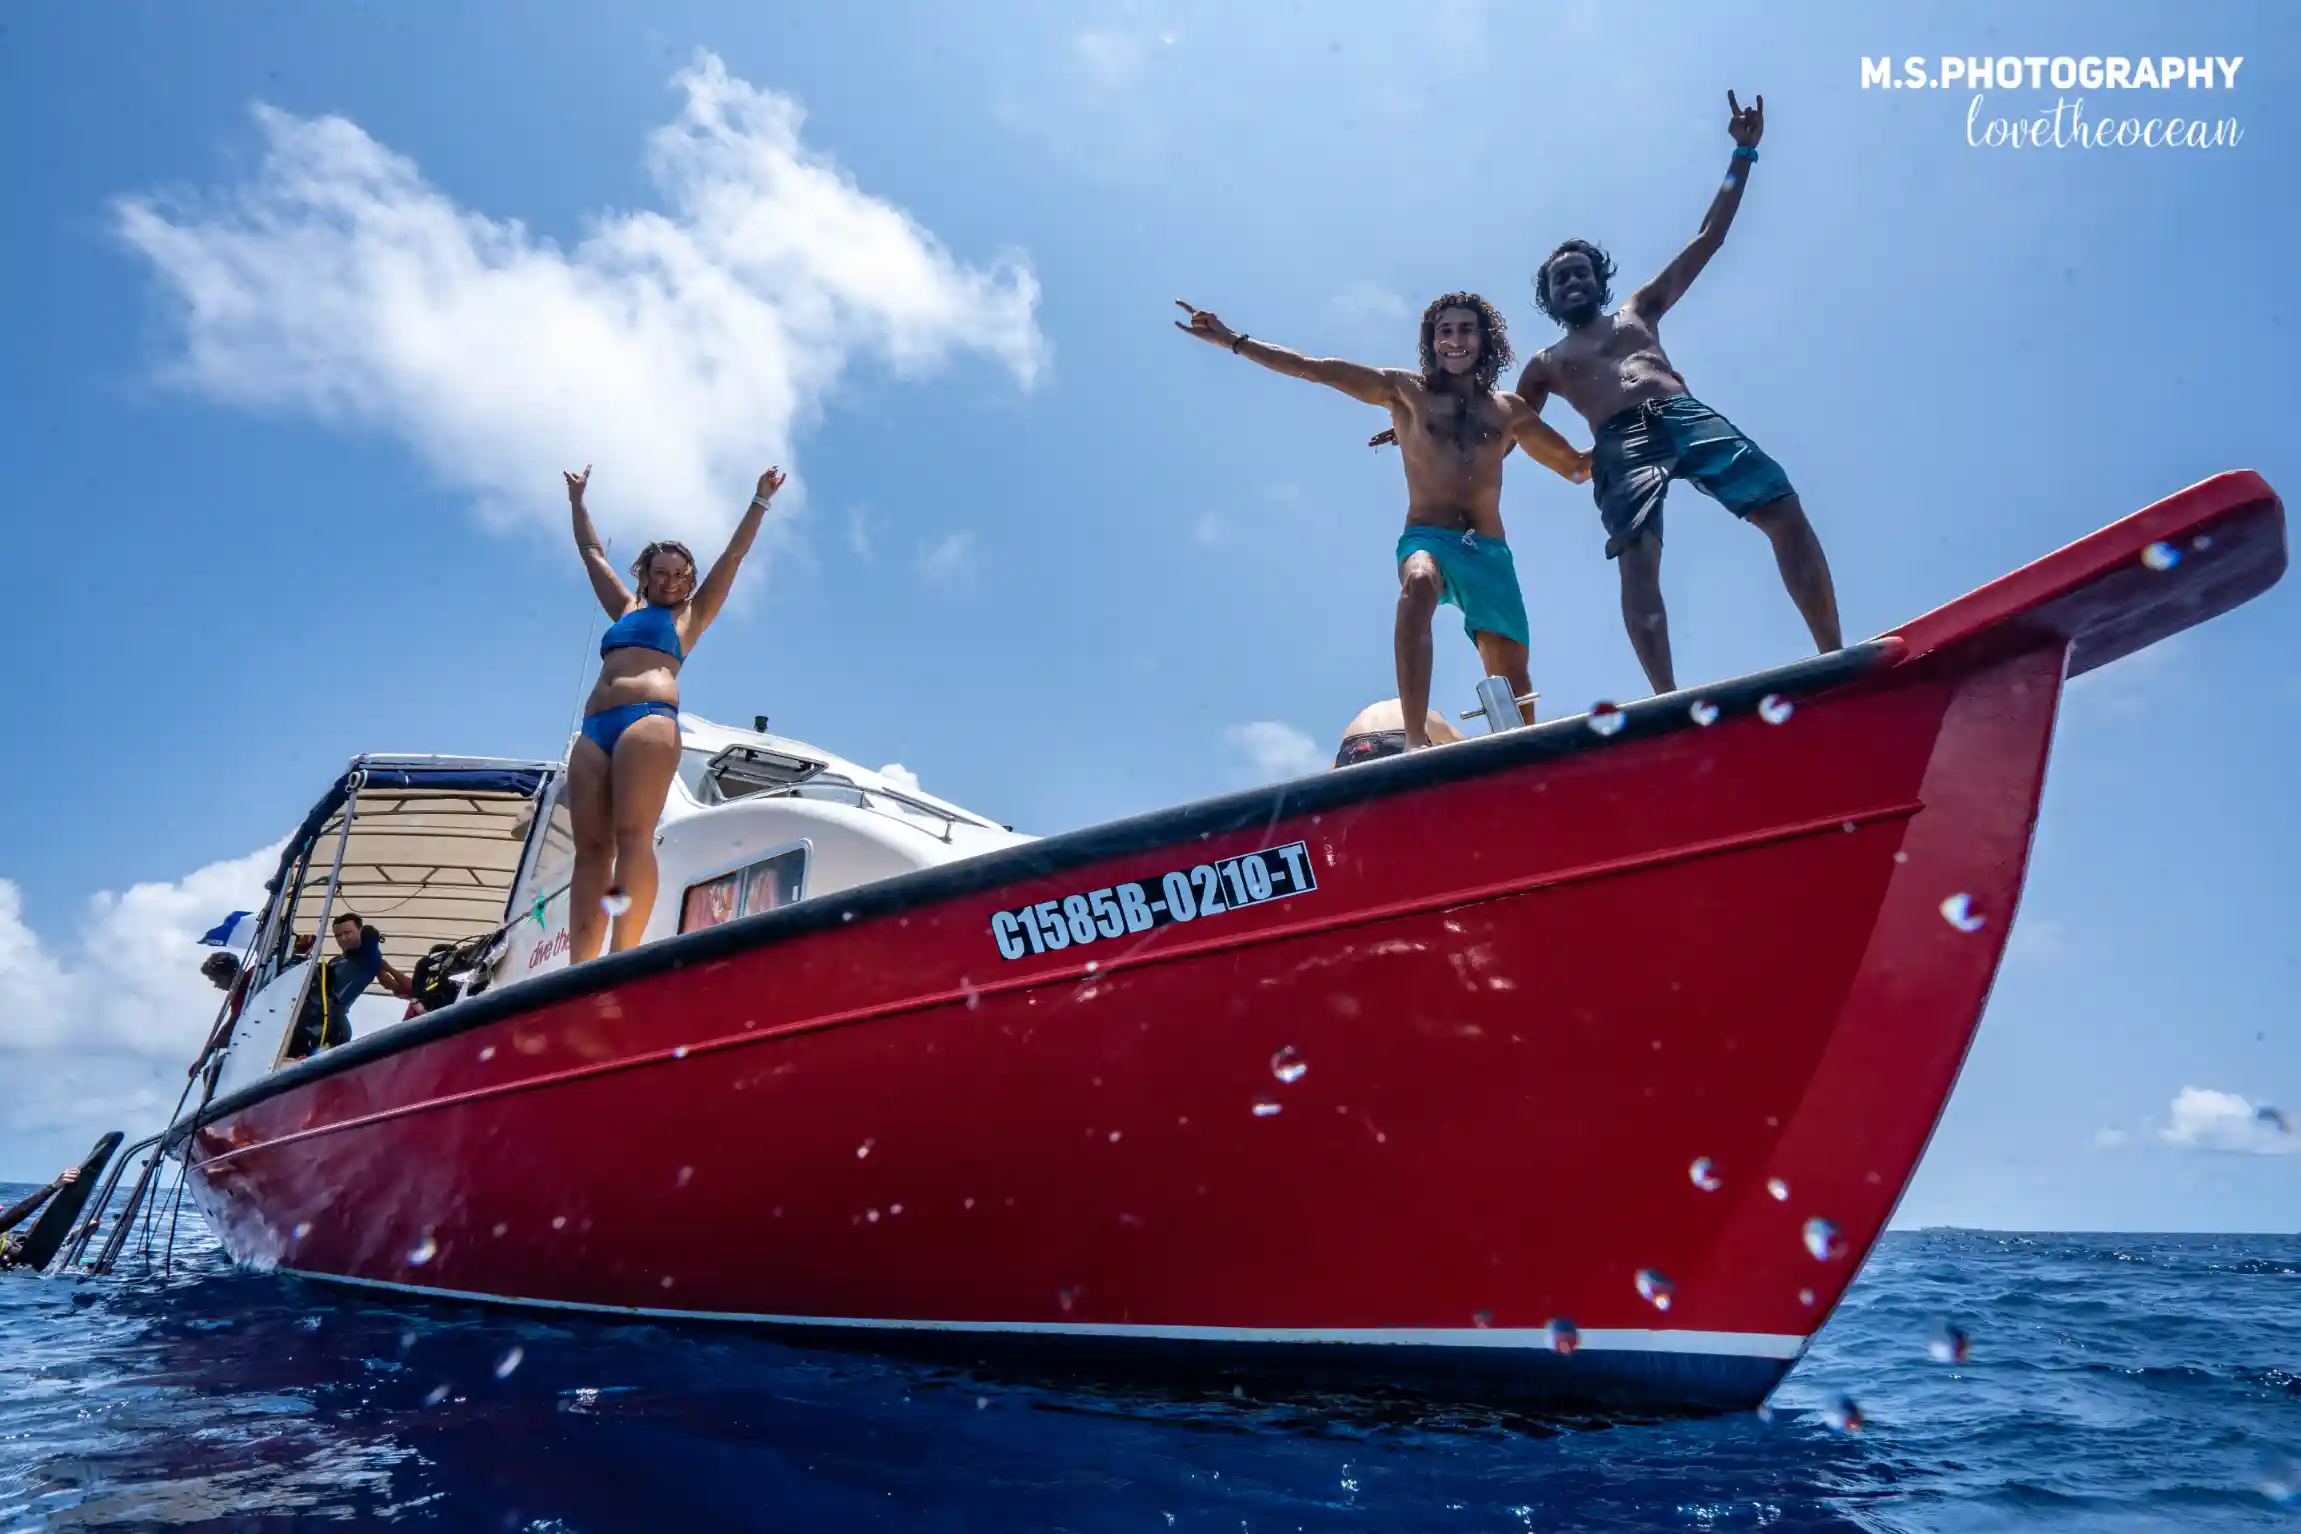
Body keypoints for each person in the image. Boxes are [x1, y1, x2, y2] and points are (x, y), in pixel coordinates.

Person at [1517, 91, 1841, 695]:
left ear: (1597, 280)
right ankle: (1666, 697)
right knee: (1637, 556)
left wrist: (1742, 153)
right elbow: (1508, 427)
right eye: (1559, 278)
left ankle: (1832, 654)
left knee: (1782, 507)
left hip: (1680, 412)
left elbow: (1706, 239)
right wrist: (1427, 419)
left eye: (1580, 272)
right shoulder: (1546, 364)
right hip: (1617, 445)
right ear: (1550, 296)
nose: (1571, 282)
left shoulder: (1638, 311)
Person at [1175, 295, 1590, 750]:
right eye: (1445, 331)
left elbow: (1575, 466)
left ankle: (1528, 759)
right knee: (1418, 581)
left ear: (1484, 340)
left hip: (1488, 552)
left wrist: (1635, 427)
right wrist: (1234, 341)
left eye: (1466, 330)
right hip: (1428, 536)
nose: (1455, 340)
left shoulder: (1510, 411)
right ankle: (1414, 742)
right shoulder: (1404, 391)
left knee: (1513, 681)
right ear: (1432, 343)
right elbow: (1313, 368)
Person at [564, 463, 785, 959]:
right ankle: (578, 967)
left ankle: (621, 956)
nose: (669, 582)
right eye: (659, 573)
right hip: (593, 730)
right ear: (643, 574)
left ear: (690, 581)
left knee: (632, 835)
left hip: (648, 720)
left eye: (679, 575)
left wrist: (760, 500)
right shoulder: (625, 609)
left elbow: (735, 554)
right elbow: (591, 553)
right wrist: (578, 502)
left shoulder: (693, 614)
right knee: (591, 852)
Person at [284, 913, 410, 1061]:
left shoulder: (369, 958)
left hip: (332, 1025)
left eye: (348, 932)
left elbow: (405, 990)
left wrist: (387, 968)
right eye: (338, 935)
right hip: (311, 1019)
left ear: (360, 932)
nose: (343, 938)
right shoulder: (335, 962)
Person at [1333, 698, 1463, 767]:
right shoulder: (1430, 715)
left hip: (1353, 747)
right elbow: (1462, 746)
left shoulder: (1369, 713)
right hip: (1399, 738)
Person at [0, 1166, 79, 1266]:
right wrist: (53, 1187)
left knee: (37, 1225)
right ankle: (69, 1238)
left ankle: (70, 1237)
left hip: (16, 1256)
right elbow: (14, 1216)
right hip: (15, 1265)